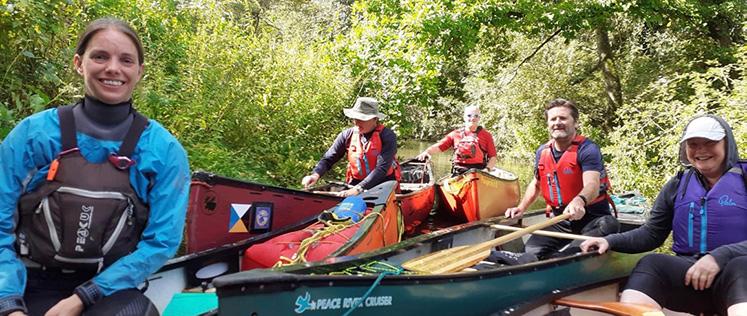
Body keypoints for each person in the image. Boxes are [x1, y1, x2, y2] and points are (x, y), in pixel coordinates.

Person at [0, 18, 190, 316]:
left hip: (108, 290)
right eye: (100, 56)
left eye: (126, 60)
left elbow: (160, 243)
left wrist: (82, 297)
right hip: (26, 284)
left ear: (139, 71)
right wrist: (9, 304)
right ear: (79, 63)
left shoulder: (162, 151)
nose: (113, 68)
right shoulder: (34, 135)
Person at [580, 114, 747, 315]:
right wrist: (610, 241)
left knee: (741, 266)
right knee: (652, 263)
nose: (701, 150)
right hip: (692, 274)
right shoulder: (677, 185)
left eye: (710, 142)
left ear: (726, 144)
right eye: (693, 144)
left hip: (738, 274)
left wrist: (718, 256)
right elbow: (652, 233)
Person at [504, 98, 618, 259]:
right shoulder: (542, 152)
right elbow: (536, 184)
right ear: (548, 124)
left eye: (563, 118)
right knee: (532, 252)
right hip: (561, 219)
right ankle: (556, 260)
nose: (557, 122)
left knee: (608, 226)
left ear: (575, 123)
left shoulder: (588, 149)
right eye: (553, 119)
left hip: (593, 217)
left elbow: (592, 183)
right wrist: (521, 208)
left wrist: (579, 201)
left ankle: (570, 256)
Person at [301, 97, 400, 197]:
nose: (357, 122)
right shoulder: (347, 135)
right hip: (354, 185)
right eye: (355, 118)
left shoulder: (387, 136)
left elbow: (382, 168)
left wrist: (359, 188)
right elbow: (328, 159)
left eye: (362, 119)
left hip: (383, 185)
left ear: (375, 119)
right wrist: (315, 175)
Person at [416, 105, 498, 175]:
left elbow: (493, 157)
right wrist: (427, 152)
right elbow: (440, 146)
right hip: (459, 171)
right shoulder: (455, 134)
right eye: (469, 115)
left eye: (476, 116)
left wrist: (487, 170)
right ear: (464, 117)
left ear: (479, 118)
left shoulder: (486, 135)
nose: (472, 118)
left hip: (479, 171)